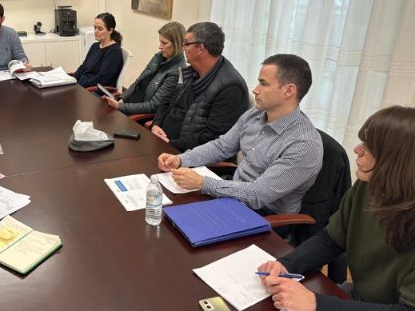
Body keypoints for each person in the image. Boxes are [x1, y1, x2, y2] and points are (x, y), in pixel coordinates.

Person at [258, 106, 415, 310]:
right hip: (359, 297)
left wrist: (316, 304)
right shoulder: (368, 186)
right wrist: (287, 264)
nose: (357, 150)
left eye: (369, 147)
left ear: (398, 161)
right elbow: (331, 238)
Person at [157, 54, 323, 215]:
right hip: (232, 194)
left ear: (289, 91)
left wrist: (202, 183)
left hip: (264, 215)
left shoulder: (304, 145)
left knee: (176, 222)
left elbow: (258, 195)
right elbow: (222, 147)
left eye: (263, 84)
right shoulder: (256, 114)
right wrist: (181, 159)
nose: (255, 90)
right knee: (163, 209)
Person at [151, 22, 249, 152]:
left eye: (186, 43)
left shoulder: (230, 87)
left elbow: (213, 138)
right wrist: (156, 124)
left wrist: (172, 143)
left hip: (188, 155)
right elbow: (166, 102)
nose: (183, 48)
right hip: (164, 143)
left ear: (201, 48)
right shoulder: (190, 71)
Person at [102, 21, 186, 115]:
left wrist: (120, 106)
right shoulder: (158, 57)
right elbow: (138, 81)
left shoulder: (176, 72)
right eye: (160, 42)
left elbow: (152, 106)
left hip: (139, 115)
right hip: (130, 104)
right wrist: (122, 99)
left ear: (177, 44)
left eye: (164, 43)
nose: (160, 47)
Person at [73, 12, 124, 88]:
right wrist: (72, 79)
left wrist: (80, 85)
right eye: (95, 28)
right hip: (84, 85)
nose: (96, 31)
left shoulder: (114, 51)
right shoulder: (95, 46)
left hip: (96, 90)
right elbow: (83, 68)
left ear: (110, 30)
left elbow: (102, 79)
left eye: (100, 29)